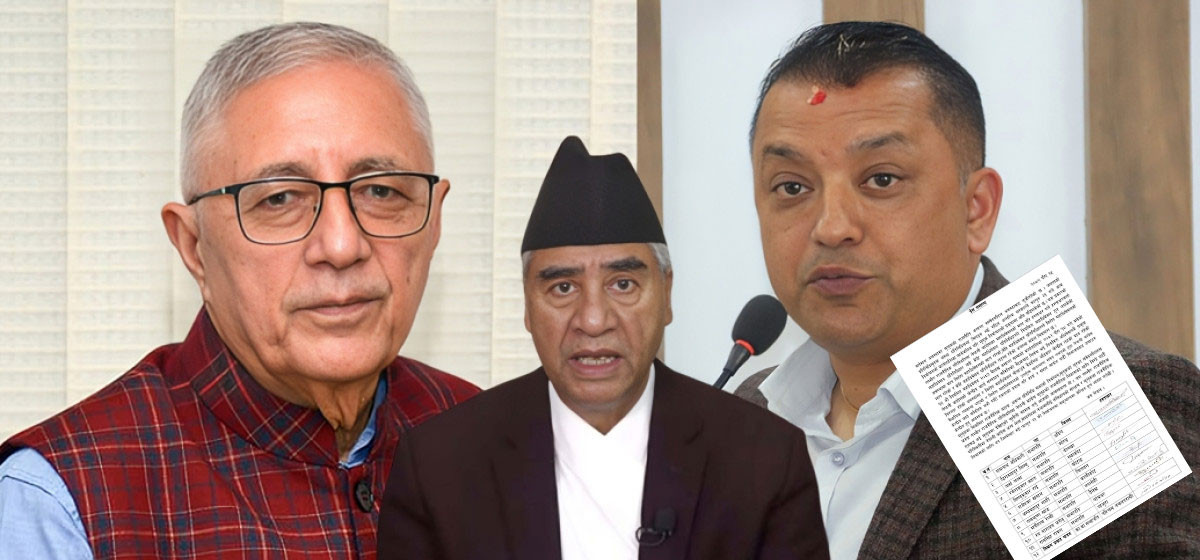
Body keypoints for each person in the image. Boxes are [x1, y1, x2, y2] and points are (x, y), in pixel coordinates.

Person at [0, 22, 479, 558]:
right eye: (278, 199)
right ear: (193, 246)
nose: (343, 245)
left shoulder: (502, 445)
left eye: (382, 192)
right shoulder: (63, 502)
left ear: (434, 222)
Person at [735, 21, 1200, 559]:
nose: (832, 226)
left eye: (881, 179)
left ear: (976, 210)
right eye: (792, 186)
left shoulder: (1093, 401)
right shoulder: (747, 415)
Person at [377, 136, 828, 560]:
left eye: (623, 284)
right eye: (563, 288)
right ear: (527, 306)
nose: (593, 320)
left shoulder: (763, 460)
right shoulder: (440, 466)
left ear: (667, 294)